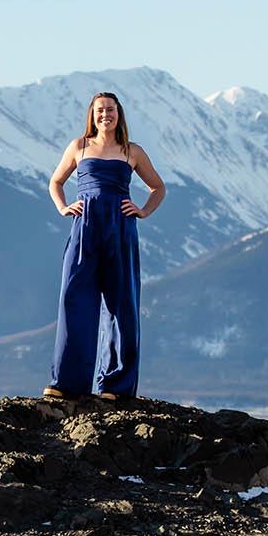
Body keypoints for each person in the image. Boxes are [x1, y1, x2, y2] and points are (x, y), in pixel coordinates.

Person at [42, 91, 166, 402]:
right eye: (99, 110)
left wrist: (143, 210)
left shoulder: (131, 151)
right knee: (74, 300)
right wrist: (62, 207)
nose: (105, 115)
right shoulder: (78, 146)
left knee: (120, 305)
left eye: (110, 109)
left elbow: (158, 187)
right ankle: (66, 384)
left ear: (119, 114)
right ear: (92, 115)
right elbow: (55, 182)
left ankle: (115, 385)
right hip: (84, 231)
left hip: (120, 231)